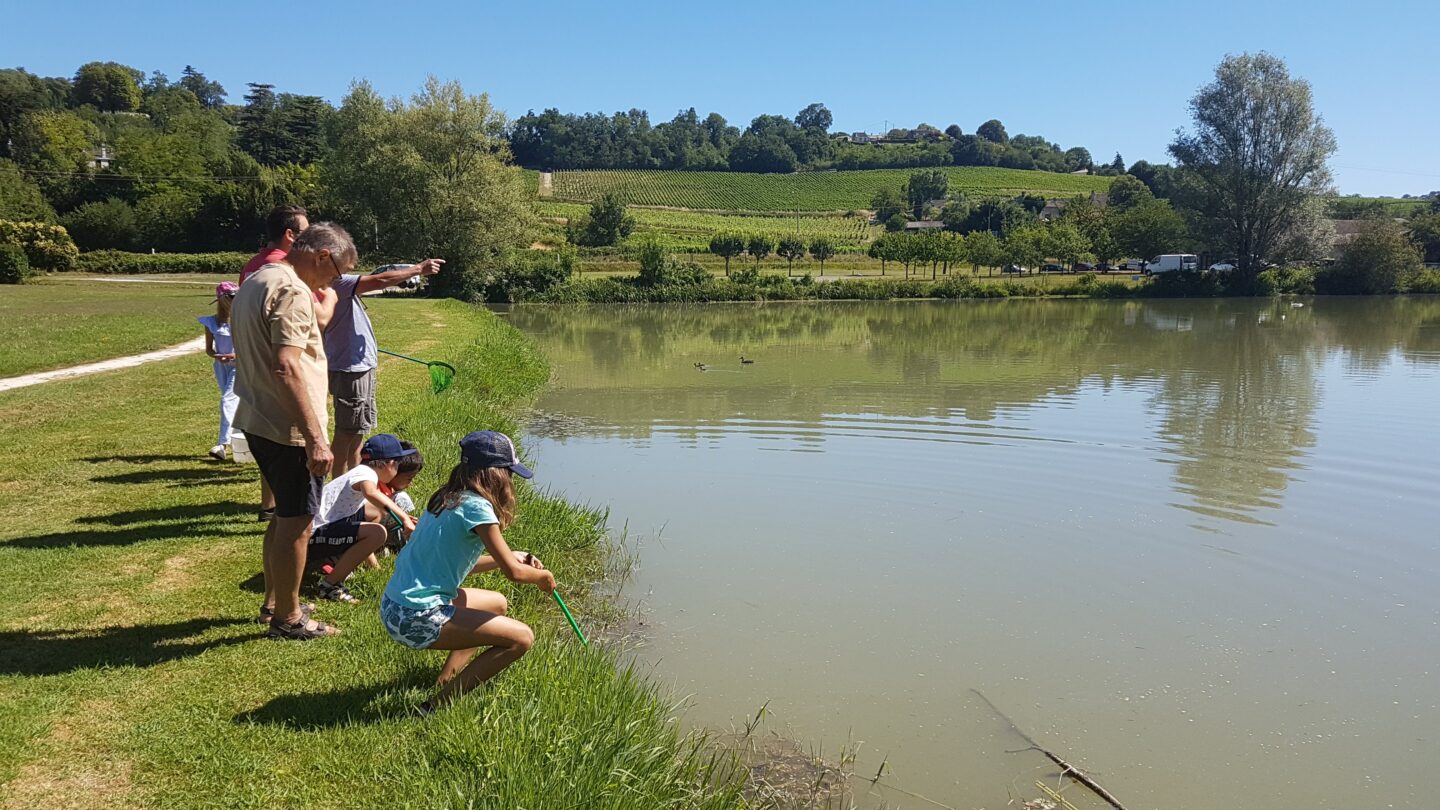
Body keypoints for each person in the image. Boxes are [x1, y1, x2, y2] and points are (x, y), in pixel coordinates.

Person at [232, 222, 353, 640]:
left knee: (283, 517)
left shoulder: (258, 278)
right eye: (336, 272)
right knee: (299, 522)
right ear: (323, 255)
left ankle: (276, 602)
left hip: (258, 417)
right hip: (287, 428)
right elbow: (286, 365)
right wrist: (315, 437)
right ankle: (290, 619)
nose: (332, 281)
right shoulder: (293, 291)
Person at [380, 430, 554, 712]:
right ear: (495, 474)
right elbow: (516, 574)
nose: (510, 482)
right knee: (522, 639)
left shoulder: (448, 498)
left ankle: (446, 680)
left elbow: (461, 564)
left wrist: (509, 557)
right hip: (414, 617)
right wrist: (544, 578)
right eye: (508, 473)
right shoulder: (478, 508)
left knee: (496, 603)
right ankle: (436, 705)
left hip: (394, 606)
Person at [315, 258, 445, 476]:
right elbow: (380, 280)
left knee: (358, 429)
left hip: (357, 367)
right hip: (350, 369)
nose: (351, 266)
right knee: (346, 431)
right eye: (344, 261)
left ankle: (353, 482)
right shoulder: (336, 282)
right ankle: (338, 485)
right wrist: (419, 270)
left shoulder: (333, 284)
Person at [240, 205, 309, 521]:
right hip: (282, 398)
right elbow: (287, 356)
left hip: (254, 389)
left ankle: (268, 505)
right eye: (305, 233)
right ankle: (276, 509)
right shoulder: (288, 275)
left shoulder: (252, 268)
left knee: (272, 470)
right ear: (289, 234)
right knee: (296, 517)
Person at [308, 433, 418, 603]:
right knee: (377, 533)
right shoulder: (367, 474)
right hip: (313, 538)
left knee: (375, 511)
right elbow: (371, 493)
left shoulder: (359, 471)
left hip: (317, 531)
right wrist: (404, 519)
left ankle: (347, 560)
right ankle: (330, 585)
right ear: (390, 463)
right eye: (397, 465)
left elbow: (375, 505)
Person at [198, 281, 239, 461]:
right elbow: (209, 349)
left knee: (227, 401)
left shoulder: (242, 320)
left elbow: (249, 347)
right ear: (221, 299)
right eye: (231, 296)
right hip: (222, 366)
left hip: (240, 365)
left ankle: (222, 444)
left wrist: (234, 356)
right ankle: (241, 444)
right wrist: (217, 355)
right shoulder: (211, 323)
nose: (235, 300)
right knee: (234, 404)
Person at [378, 440, 423, 551]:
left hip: (380, 530)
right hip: (371, 531)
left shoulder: (387, 486)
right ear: (394, 470)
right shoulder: (375, 487)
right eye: (409, 479)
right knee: (402, 498)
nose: (410, 484)